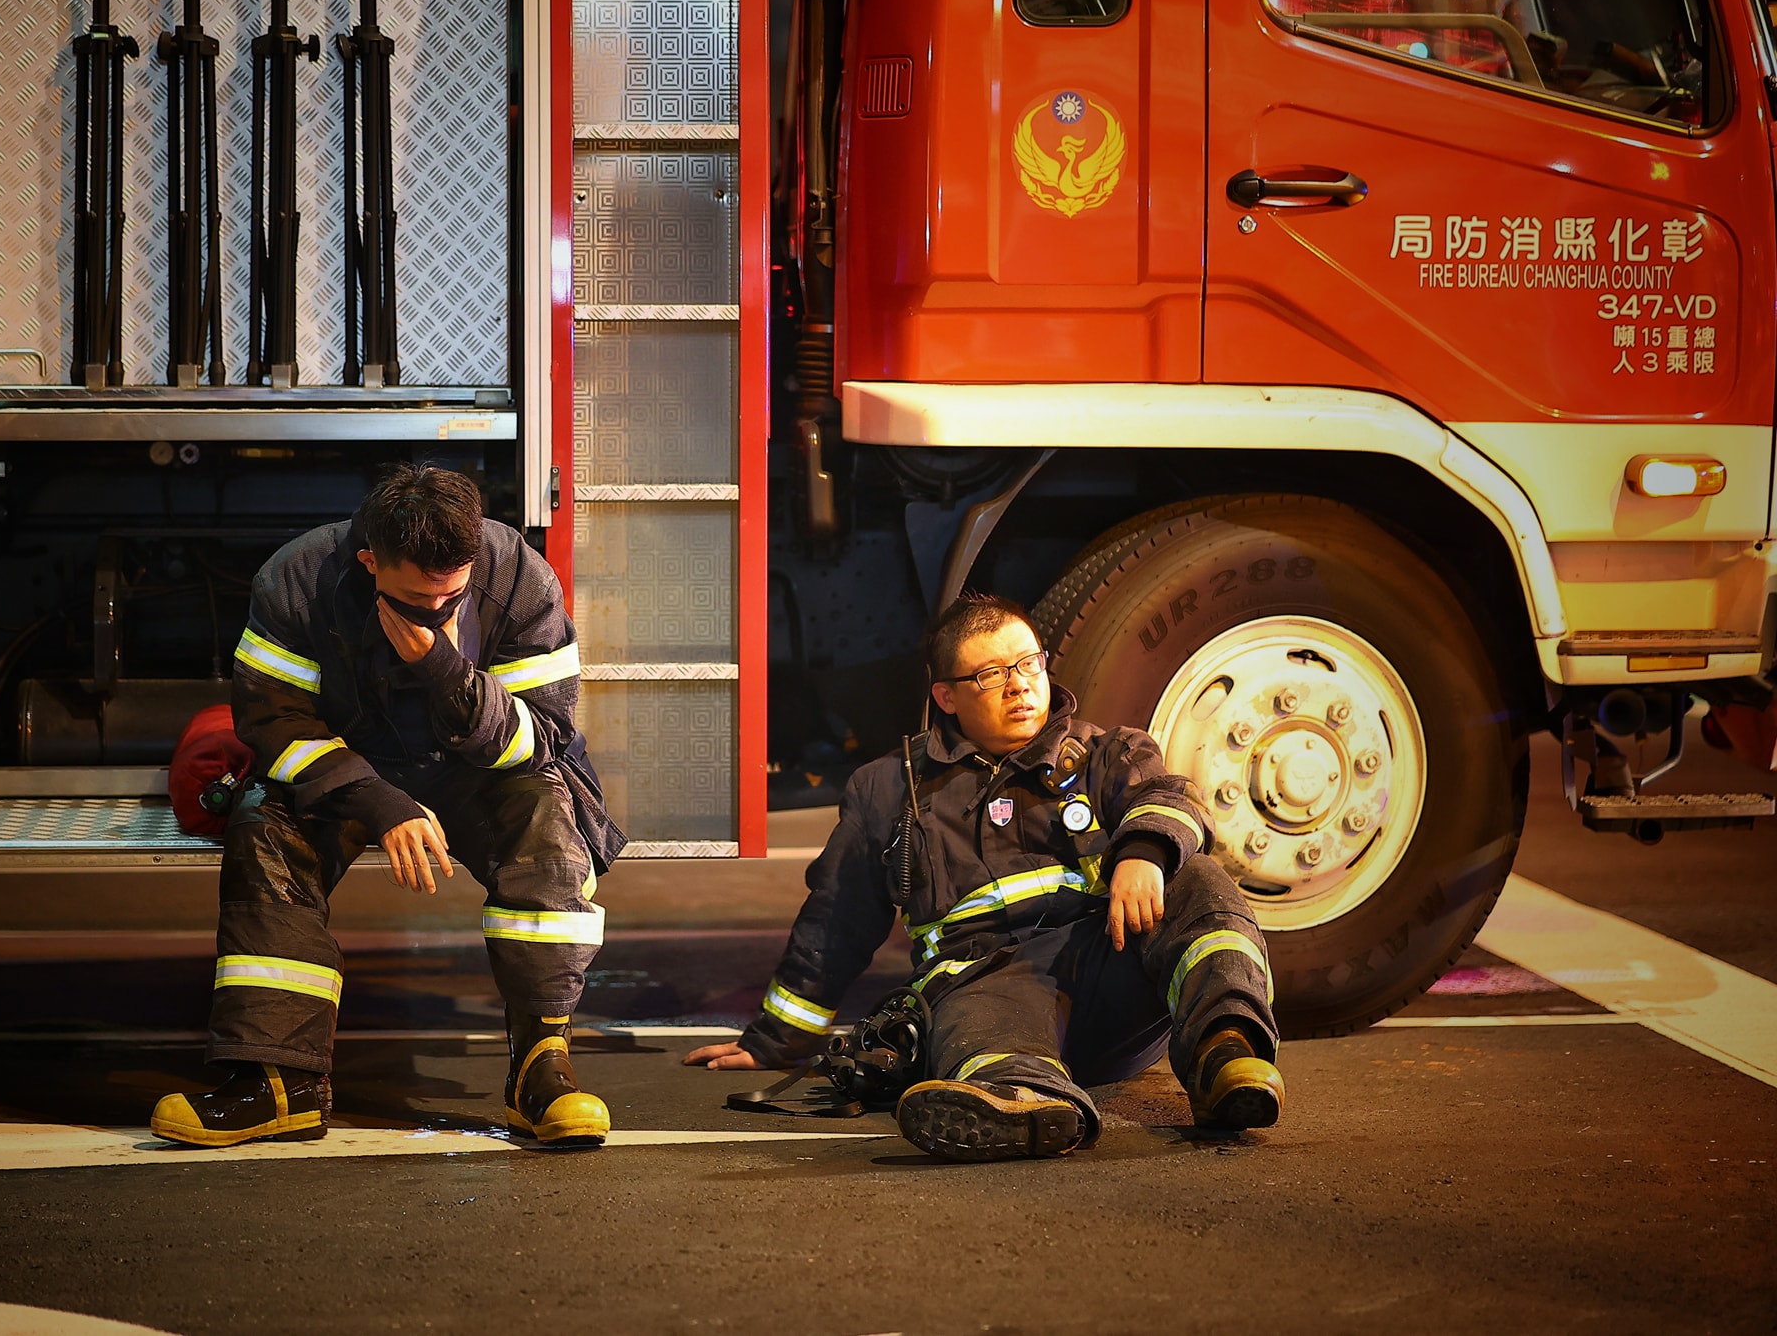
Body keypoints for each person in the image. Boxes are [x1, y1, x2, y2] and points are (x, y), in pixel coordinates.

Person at [686, 593, 1281, 1161]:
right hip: (984, 978)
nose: (1021, 684)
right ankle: (1026, 1106)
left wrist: (1145, 853)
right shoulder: (890, 790)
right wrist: (776, 1040)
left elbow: (1169, 798)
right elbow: (836, 919)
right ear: (946, 696)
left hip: (1111, 967)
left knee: (1196, 877)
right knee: (981, 1019)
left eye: (1029, 663)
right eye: (991, 675)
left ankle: (1228, 1054)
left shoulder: (1108, 753)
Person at [151, 464, 625, 1149]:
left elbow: (539, 737)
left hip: (476, 768)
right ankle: (278, 1085)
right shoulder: (299, 578)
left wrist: (443, 670)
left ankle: (541, 1072)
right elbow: (273, 721)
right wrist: (378, 801)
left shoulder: (517, 576)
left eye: (452, 597)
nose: (435, 611)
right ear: (370, 560)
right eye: (414, 597)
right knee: (265, 826)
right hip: (349, 766)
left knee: (547, 820)